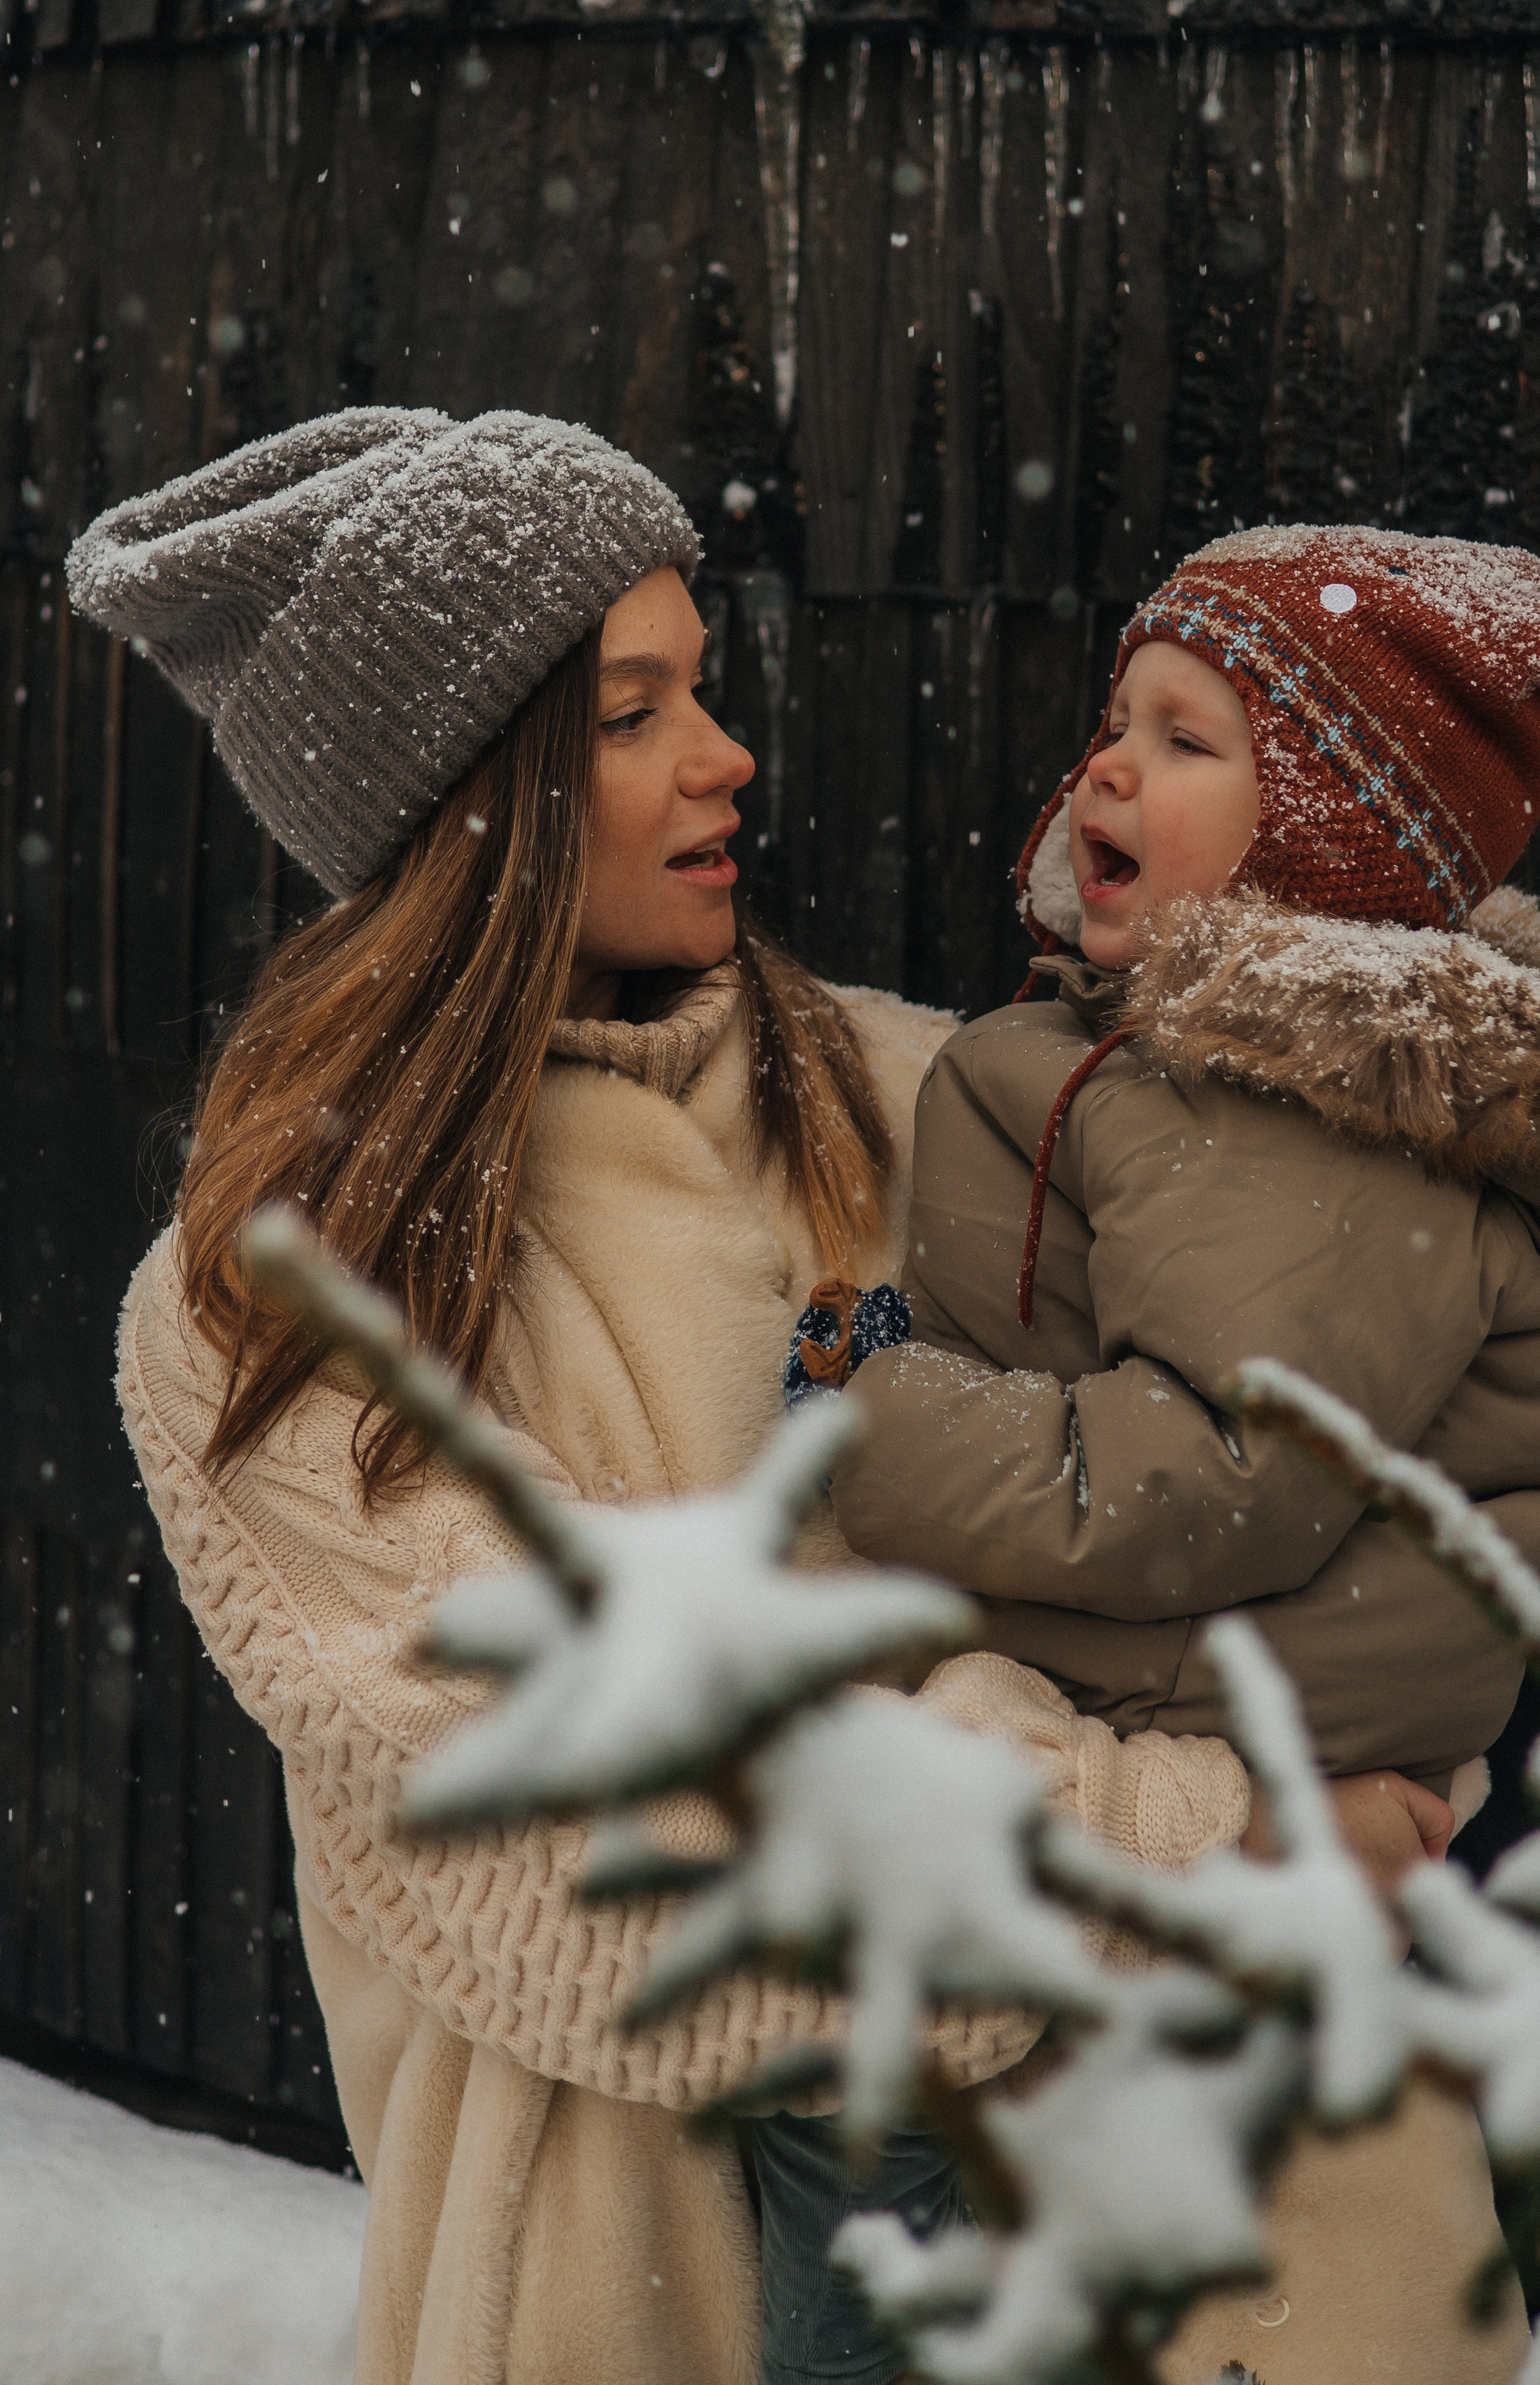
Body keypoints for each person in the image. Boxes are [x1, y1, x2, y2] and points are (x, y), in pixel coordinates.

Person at [73, 407, 1249, 2385]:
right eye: (633, 714)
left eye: (702, 687)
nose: (727, 756)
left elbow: (1310, 1459)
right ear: (473, 802)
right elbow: (622, 1891)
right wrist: (1204, 1835)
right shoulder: (271, 1316)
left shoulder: (930, 1108)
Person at [824, 522, 1540, 2383]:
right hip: (1202, 1734)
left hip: (1216, 1721)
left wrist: (863, 1414)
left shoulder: (1303, 1122)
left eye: (1187, 741)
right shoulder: (1170, 1057)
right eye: (1119, 719)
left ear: (1328, 845)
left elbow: (1202, 1481)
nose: (1110, 766)